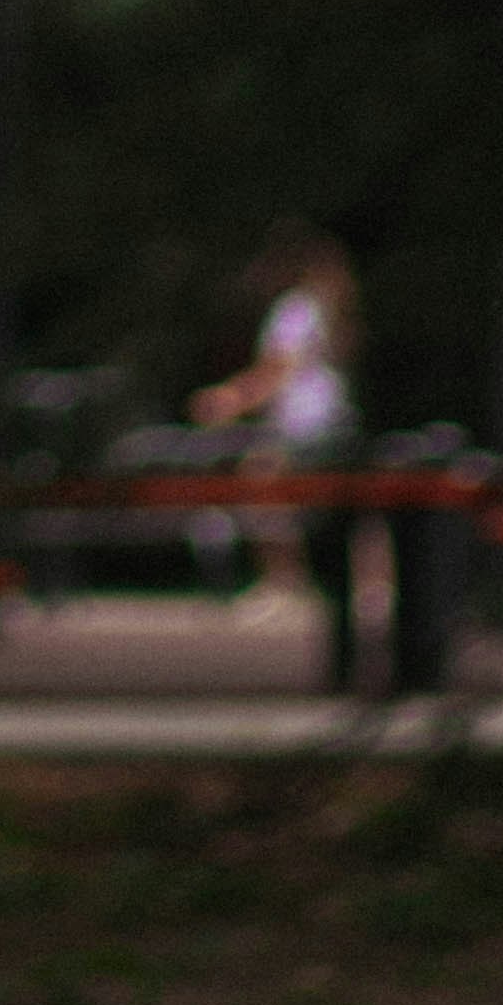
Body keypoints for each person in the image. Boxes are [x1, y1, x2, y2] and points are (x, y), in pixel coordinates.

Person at [196, 228, 366, 686]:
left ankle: (282, 581)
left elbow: (277, 369)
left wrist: (230, 398)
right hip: (332, 416)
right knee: (338, 504)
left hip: (301, 420)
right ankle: (367, 586)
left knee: (259, 490)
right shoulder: (331, 308)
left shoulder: (293, 310)